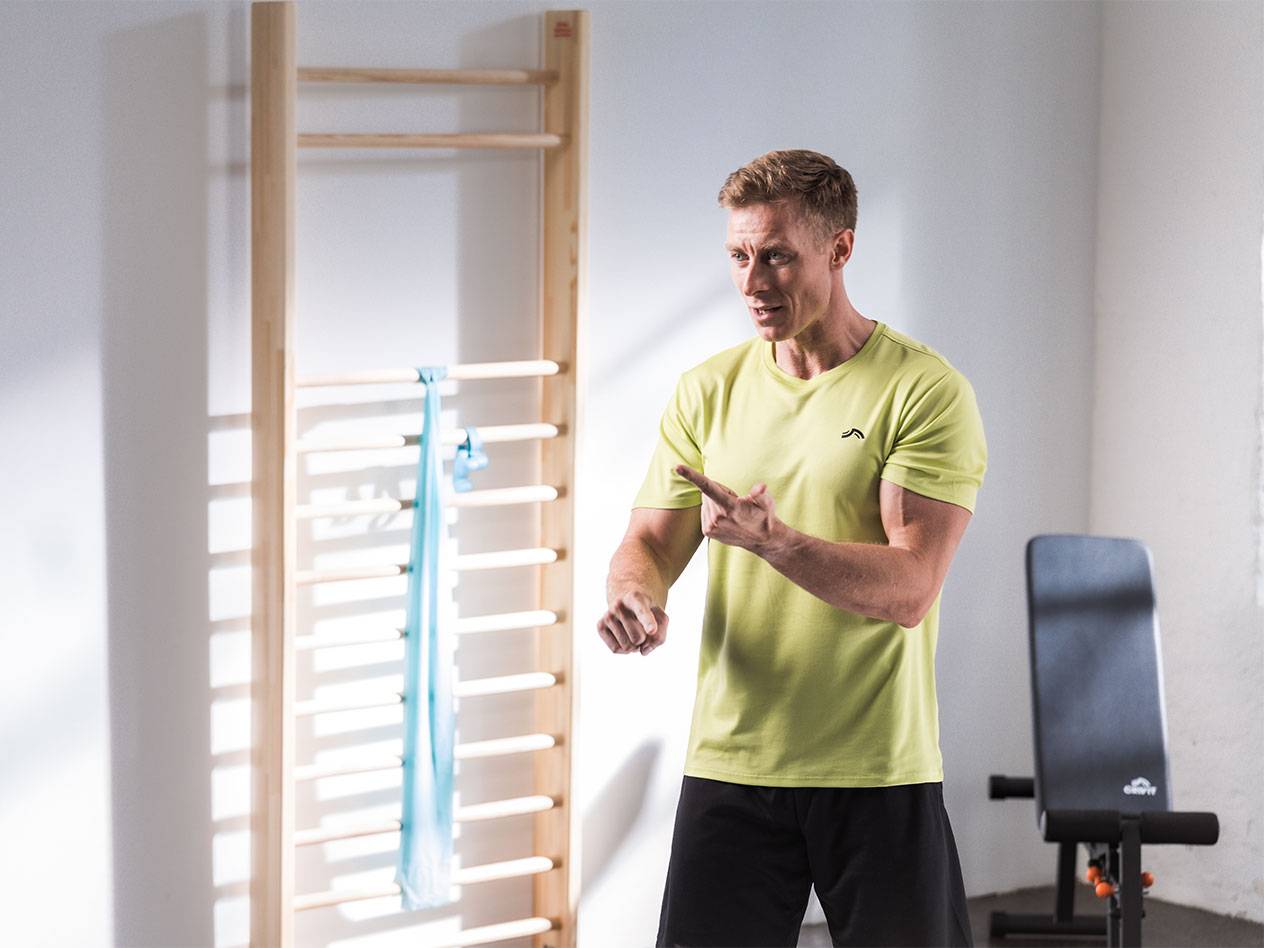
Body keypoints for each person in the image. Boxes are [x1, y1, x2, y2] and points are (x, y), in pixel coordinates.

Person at [598, 149, 987, 947]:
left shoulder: (921, 390)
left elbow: (911, 586)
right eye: (739, 256)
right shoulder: (708, 389)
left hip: (877, 768)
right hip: (734, 762)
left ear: (839, 250)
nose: (752, 280)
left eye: (776, 255)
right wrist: (636, 594)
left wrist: (775, 543)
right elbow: (646, 541)